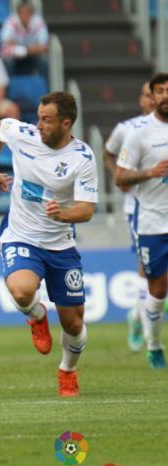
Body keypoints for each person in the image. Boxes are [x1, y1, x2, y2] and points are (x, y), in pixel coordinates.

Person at [0, 92, 98, 396]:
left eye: (46, 120)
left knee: (73, 325)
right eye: (38, 117)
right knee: (21, 290)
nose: (39, 125)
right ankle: (36, 316)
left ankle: (68, 370)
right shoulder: (24, 134)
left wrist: (64, 214)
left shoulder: (82, 158)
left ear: (66, 122)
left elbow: (86, 210)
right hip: (21, 234)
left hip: (60, 244)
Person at [116, 73, 168, 370]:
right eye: (159, 91)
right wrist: (149, 173)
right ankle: (154, 344)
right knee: (158, 291)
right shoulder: (138, 133)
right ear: (152, 97)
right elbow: (120, 177)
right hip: (151, 222)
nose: (164, 96)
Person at [103, 81, 154, 352]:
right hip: (139, 208)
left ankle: (137, 314)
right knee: (147, 270)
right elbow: (108, 153)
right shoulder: (127, 129)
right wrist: (117, 176)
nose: (154, 100)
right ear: (141, 100)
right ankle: (146, 333)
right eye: (149, 95)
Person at [0, 0, 48, 76]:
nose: (25, 15)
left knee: (44, 60)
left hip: (33, 55)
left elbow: (43, 47)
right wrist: (30, 48)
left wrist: (22, 49)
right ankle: (9, 86)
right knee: (6, 60)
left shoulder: (38, 22)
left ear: (32, 13)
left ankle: (46, 86)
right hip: (15, 56)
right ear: (18, 13)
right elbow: (5, 42)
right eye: (22, 12)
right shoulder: (11, 21)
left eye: (28, 12)